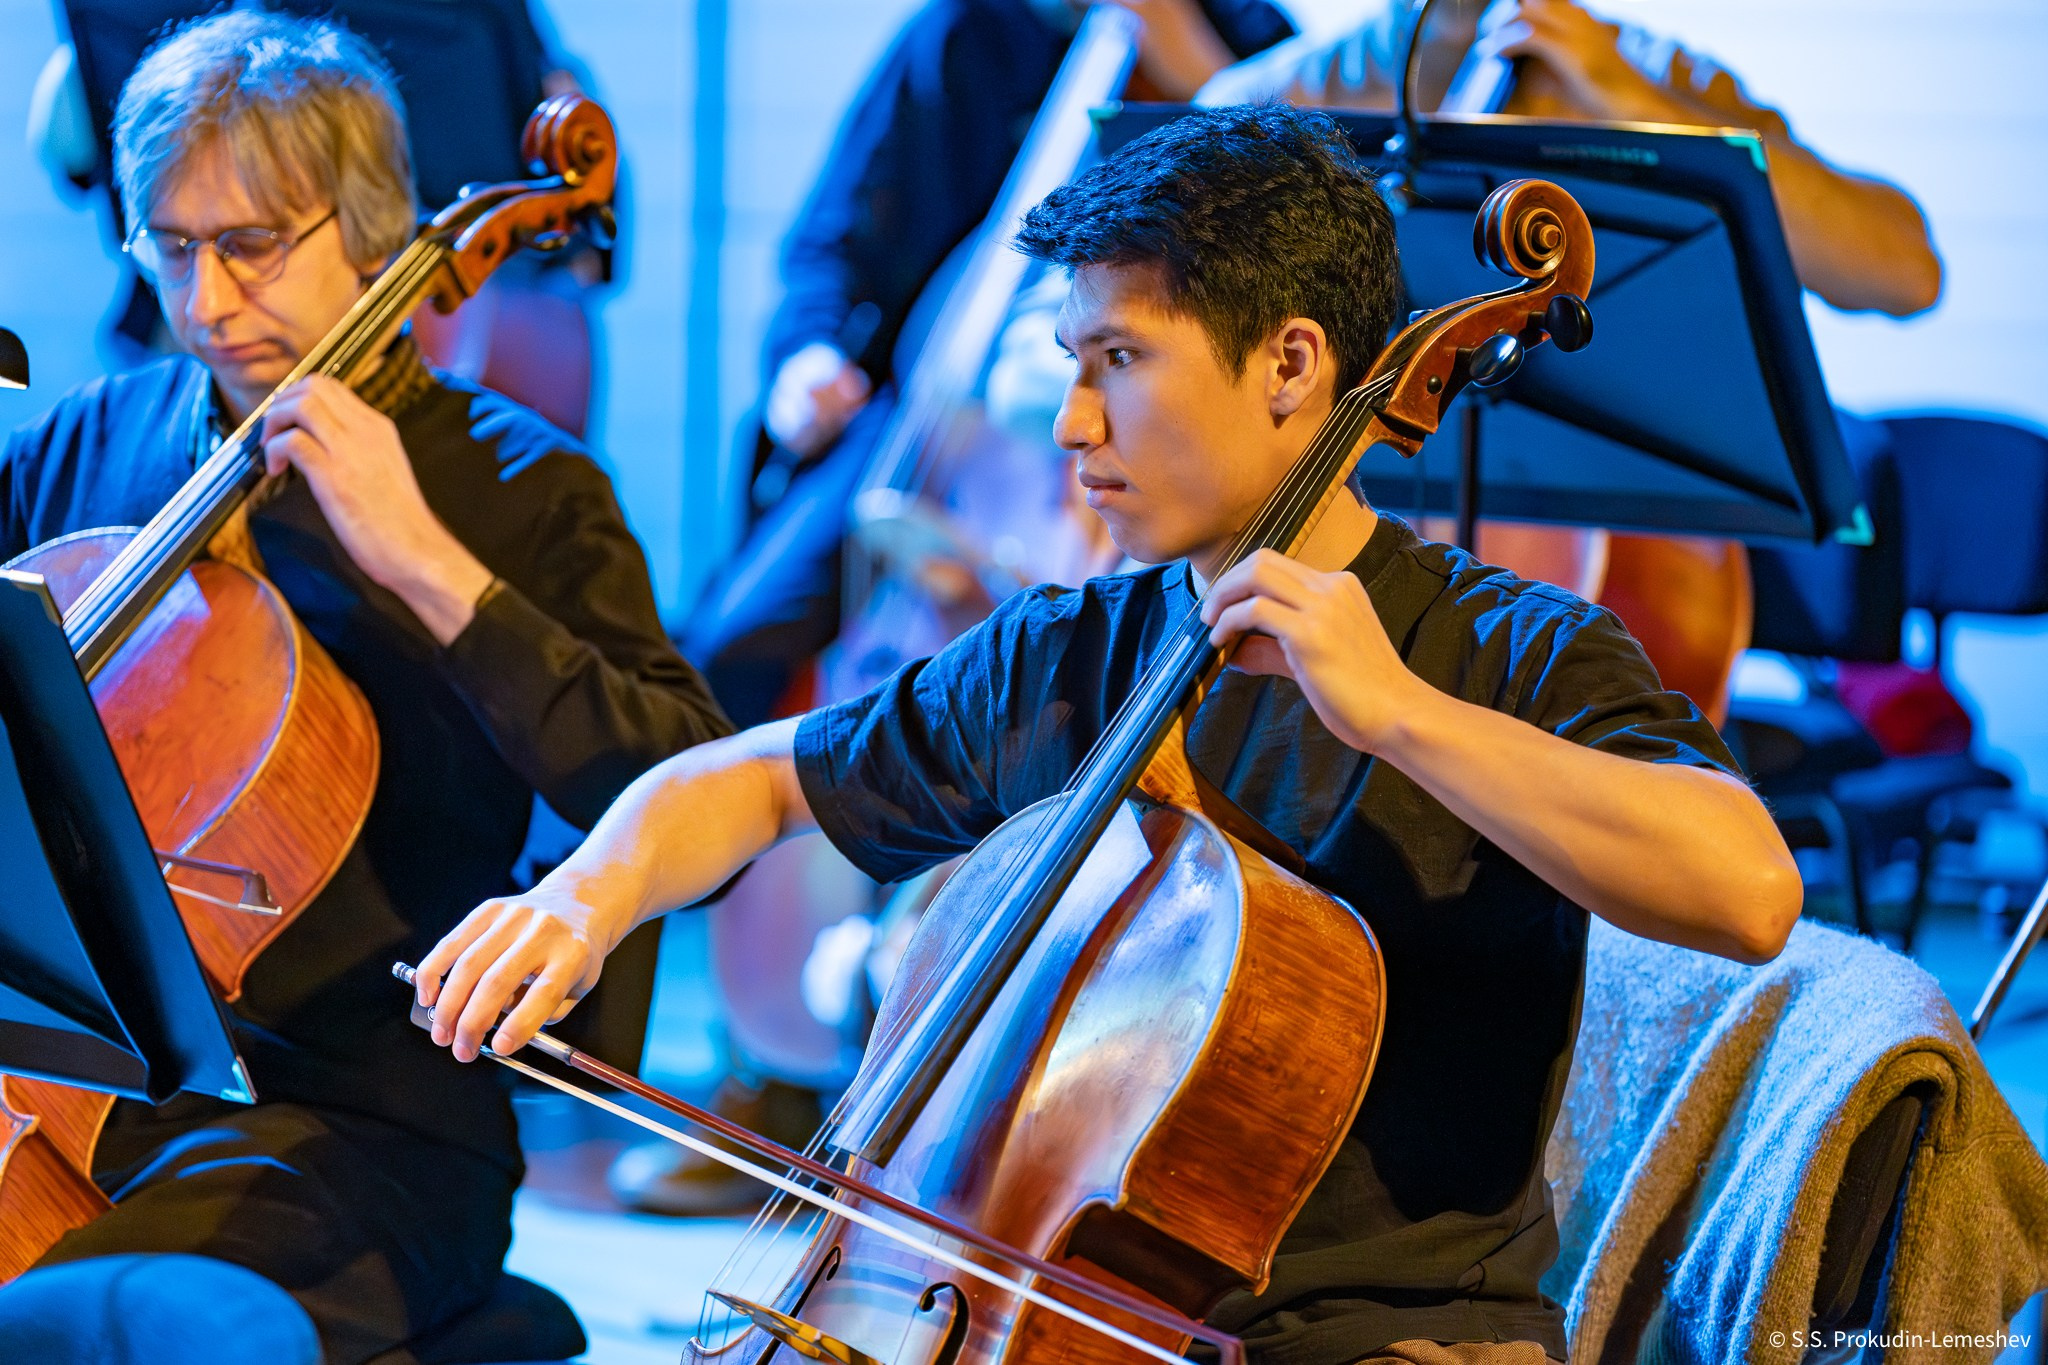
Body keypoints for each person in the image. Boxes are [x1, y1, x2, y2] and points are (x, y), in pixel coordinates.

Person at [416, 104, 1803, 1365]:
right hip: (1061, 1312)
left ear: (1292, 365)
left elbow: (1747, 892)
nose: (1077, 425)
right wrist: (585, 894)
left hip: (1392, 1341)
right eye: (1073, 365)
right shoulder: (1078, 647)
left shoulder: (1508, 651)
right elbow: (754, 782)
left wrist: (1401, 715)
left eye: (1122, 362)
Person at [0, 13, 729, 1365]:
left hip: (360, 1122)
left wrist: (431, 570)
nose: (207, 302)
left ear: (378, 228)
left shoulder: (519, 490)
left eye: (253, 245)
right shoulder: (82, 451)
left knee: (93, 1324)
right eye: (171, 246)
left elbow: (683, 786)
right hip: (78, 1080)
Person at [685, 0, 1297, 730]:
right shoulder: (966, 28)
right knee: (735, 641)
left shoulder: (1249, 30)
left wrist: (1193, 60)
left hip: (1150, 427)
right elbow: (833, 240)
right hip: (925, 413)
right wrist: (808, 358)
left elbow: (1303, 201)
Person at [1199, 0, 1940, 317]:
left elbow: (1903, 271)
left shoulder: (1655, 70)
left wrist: (1620, 90)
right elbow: (1171, 156)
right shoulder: (1367, 57)